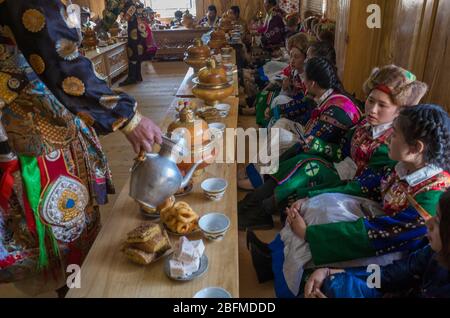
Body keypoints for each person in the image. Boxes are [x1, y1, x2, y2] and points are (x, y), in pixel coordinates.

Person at [0, 0, 162, 295]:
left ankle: (72, 286)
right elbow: (59, 56)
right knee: (60, 223)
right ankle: (74, 290)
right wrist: (128, 117)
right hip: (31, 120)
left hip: (23, 116)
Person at [248, 104, 450, 298]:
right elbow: (363, 184)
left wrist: (311, 234)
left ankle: (290, 278)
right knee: (317, 206)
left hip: (391, 250)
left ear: (416, 147)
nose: (388, 139)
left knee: (319, 222)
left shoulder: (431, 197)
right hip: (377, 225)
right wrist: (308, 196)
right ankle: (272, 259)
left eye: (394, 135)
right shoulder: (403, 166)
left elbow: (383, 234)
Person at [238, 57, 362, 230]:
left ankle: (261, 208)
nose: (302, 80)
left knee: (298, 164)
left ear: (312, 83)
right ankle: (255, 200)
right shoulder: (328, 96)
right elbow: (312, 133)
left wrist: (303, 147)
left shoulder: (337, 110)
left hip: (341, 163)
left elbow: (321, 143)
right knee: (291, 156)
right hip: (327, 150)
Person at [305, 183, 450, 298]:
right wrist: (332, 272)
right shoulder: (433, 251)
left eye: (437, 220)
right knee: (335, 284)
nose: (427, 223)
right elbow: (391, 274)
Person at [99, 0, 150, 86]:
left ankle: (132, 78)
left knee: (132, 52)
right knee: (136, 52)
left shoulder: (129, 4)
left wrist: (103, 27)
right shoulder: (136, 3)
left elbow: (122, 17)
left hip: (134, 31)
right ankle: (137, 75)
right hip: (141, 31)